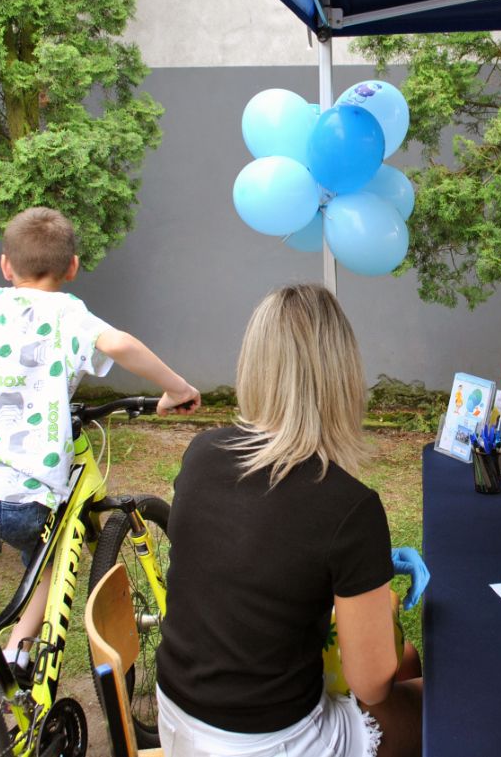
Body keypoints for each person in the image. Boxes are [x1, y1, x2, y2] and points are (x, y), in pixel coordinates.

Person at [0, 206, 200, 755]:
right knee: (56, 562)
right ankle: (17, 655)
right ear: (72, 266)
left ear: (5, 265)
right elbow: (120, 345)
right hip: (26, 489)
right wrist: (175, 387)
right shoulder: (68, 313)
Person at [156, 283, 424, 757]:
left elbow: (255, 552)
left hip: (177, 718)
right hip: (269, 742)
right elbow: (373, 685)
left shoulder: (200, 454)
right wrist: (371, 590)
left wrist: (360, 570)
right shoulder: (349, 505)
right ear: (342, 376)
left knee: (406, 659)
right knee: (431, 705)